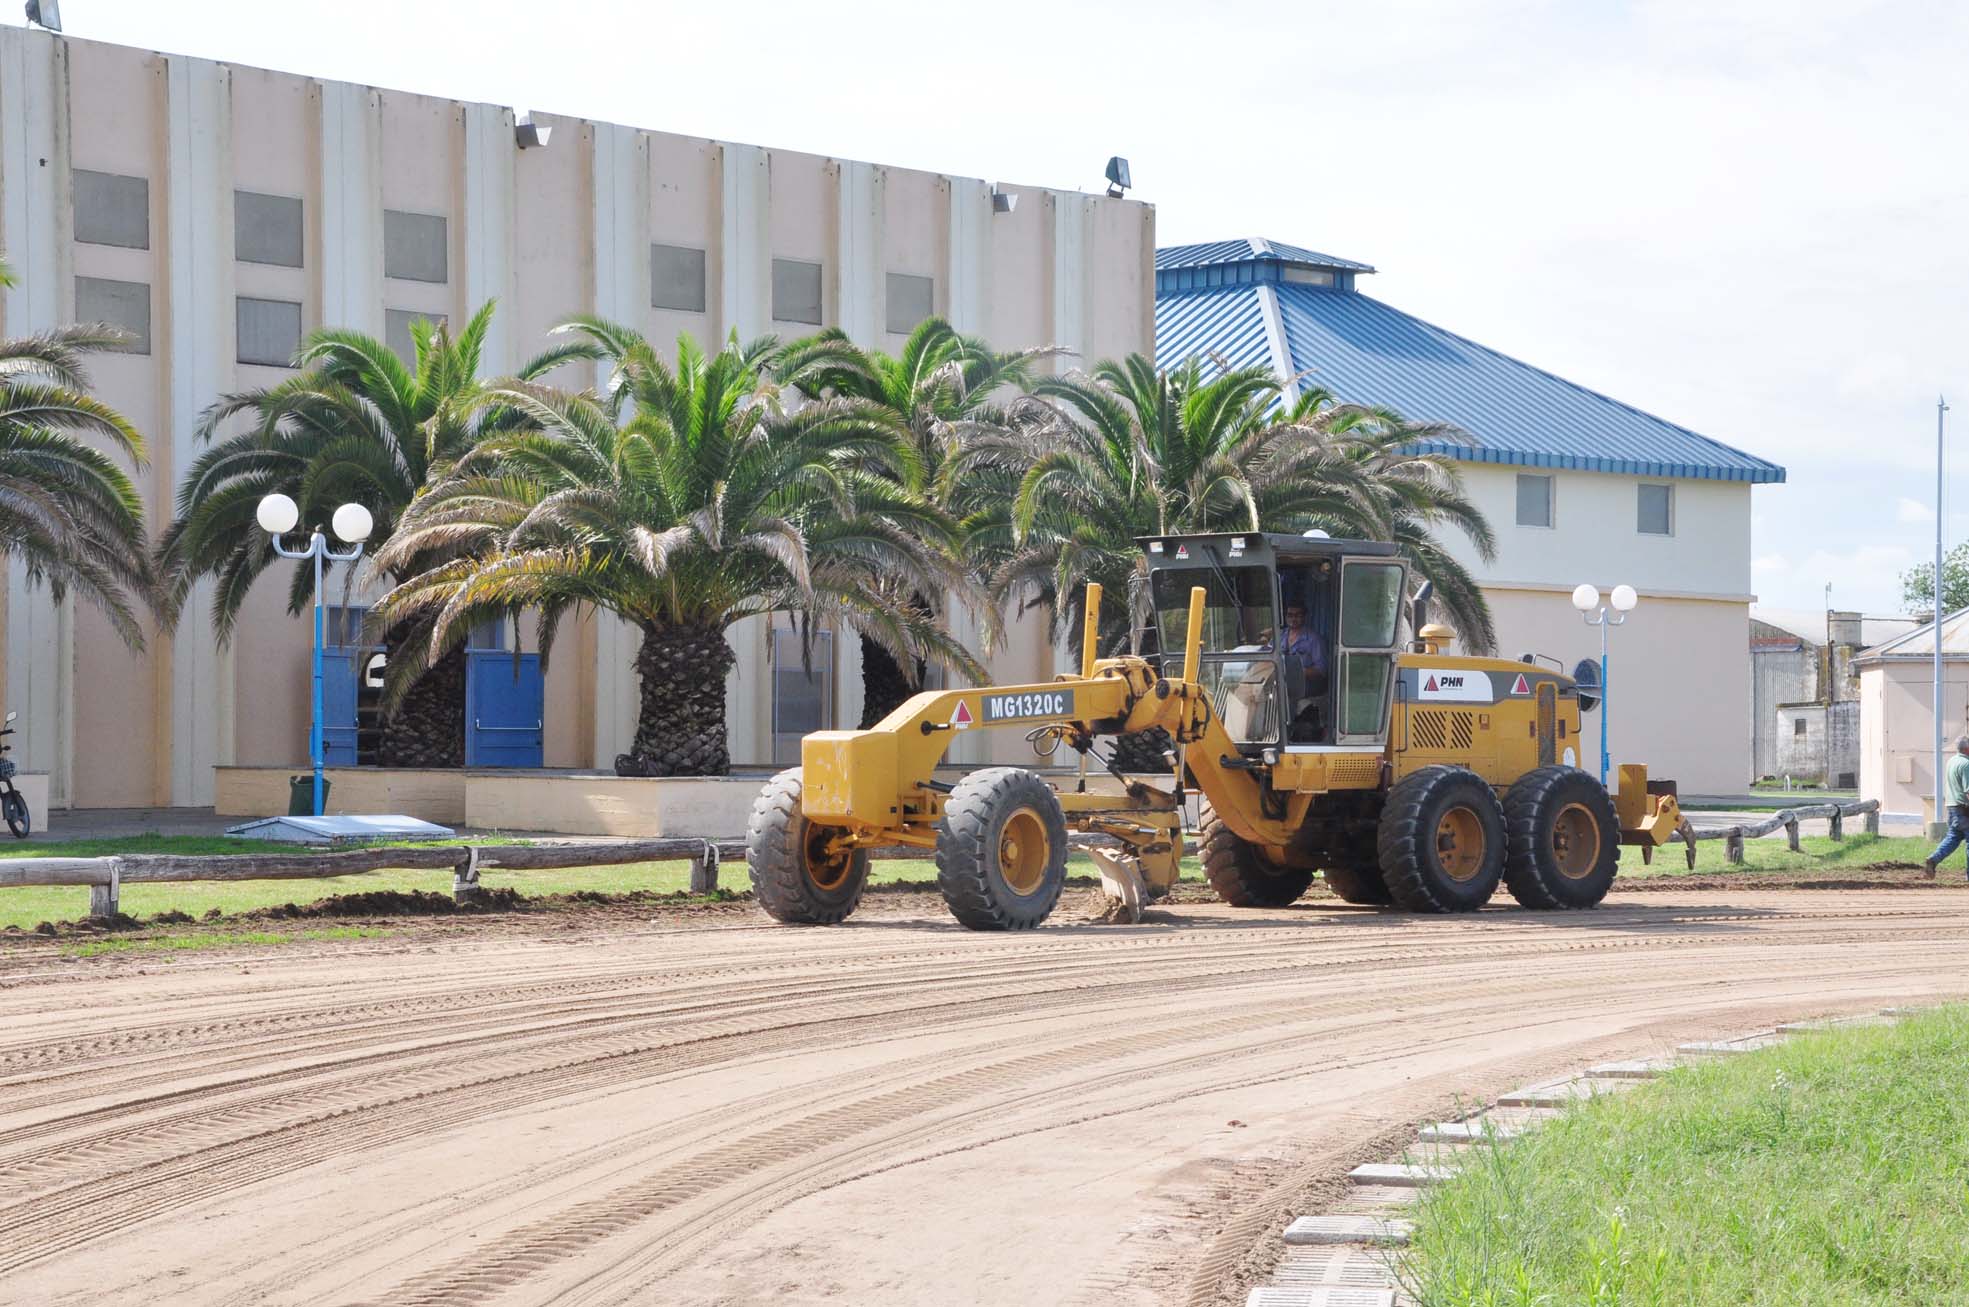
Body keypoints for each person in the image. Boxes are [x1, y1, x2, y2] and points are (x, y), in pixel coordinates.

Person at [1922, 736, 1969, 880]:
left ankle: (1933, 859)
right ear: (1967, 748)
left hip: (1952, 807)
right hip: (1964, 809)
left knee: (1953, 837)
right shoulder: (1966, 764)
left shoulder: (1952, 761)